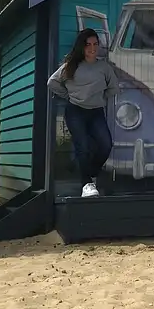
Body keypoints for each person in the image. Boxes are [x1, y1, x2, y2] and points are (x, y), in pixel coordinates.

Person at [47, 28, 117, 198]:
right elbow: (52, 83)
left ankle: (90, 174)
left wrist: (101, 97)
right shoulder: (71, 66)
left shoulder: (104, 67)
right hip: (75, 111)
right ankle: (86, 185)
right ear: (82, 47)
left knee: (106, 144)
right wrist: (68, 96)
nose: (92, 48)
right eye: (88, 45)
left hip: (96, 112)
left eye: (95, 44)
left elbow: (113, 87)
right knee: (82, 147)